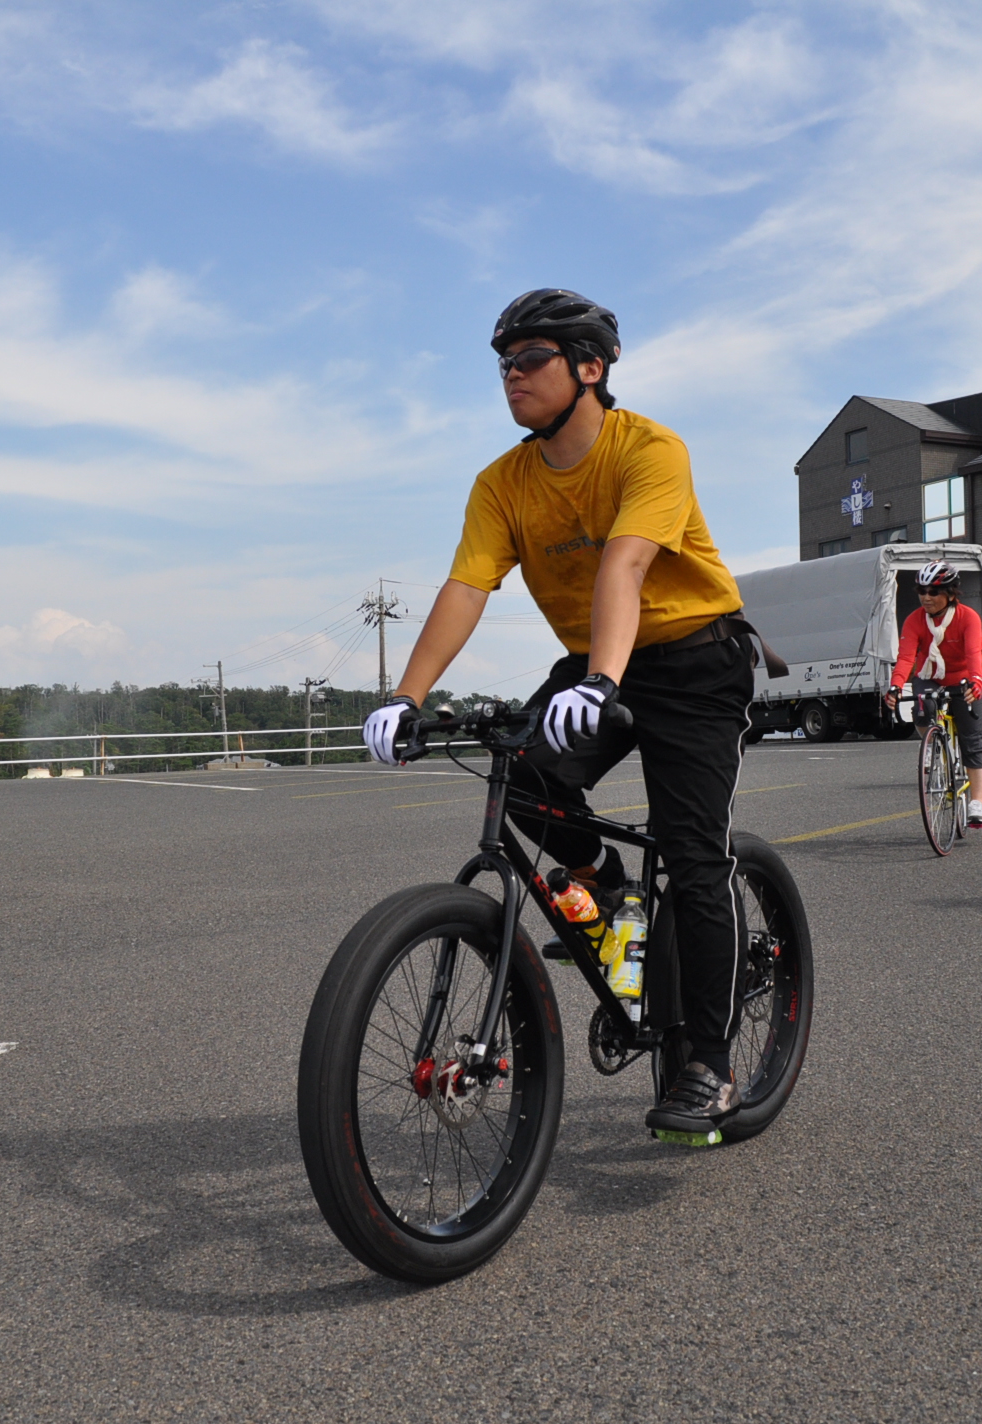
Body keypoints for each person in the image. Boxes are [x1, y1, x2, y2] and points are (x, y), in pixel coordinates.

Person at [359, 288, 773, 1143]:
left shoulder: (649, 449)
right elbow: (466, 587)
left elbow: (624, 568)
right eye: (502, 364)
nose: (510, 377)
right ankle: (612, 891)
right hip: (599, 665)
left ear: (591, 368)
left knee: (695, 856)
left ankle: (710, 1064)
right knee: (522, 775)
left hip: (695, 660)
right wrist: (408, 697)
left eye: (529, 360)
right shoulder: (502, 483)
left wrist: (603, 684)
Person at [884, 561, 982, 826]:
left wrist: (976, 682)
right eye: (922, 590)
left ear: (951, 593)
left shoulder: (968, 617)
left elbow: (973, 655)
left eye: (934, 591)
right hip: (929, 677)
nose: (926, 597)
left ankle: (977, 802)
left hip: (964, 678)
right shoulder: (914, 620)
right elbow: (906, 657)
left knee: (973, 740)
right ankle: (933, 745)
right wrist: (896, 686)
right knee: (923, 711)